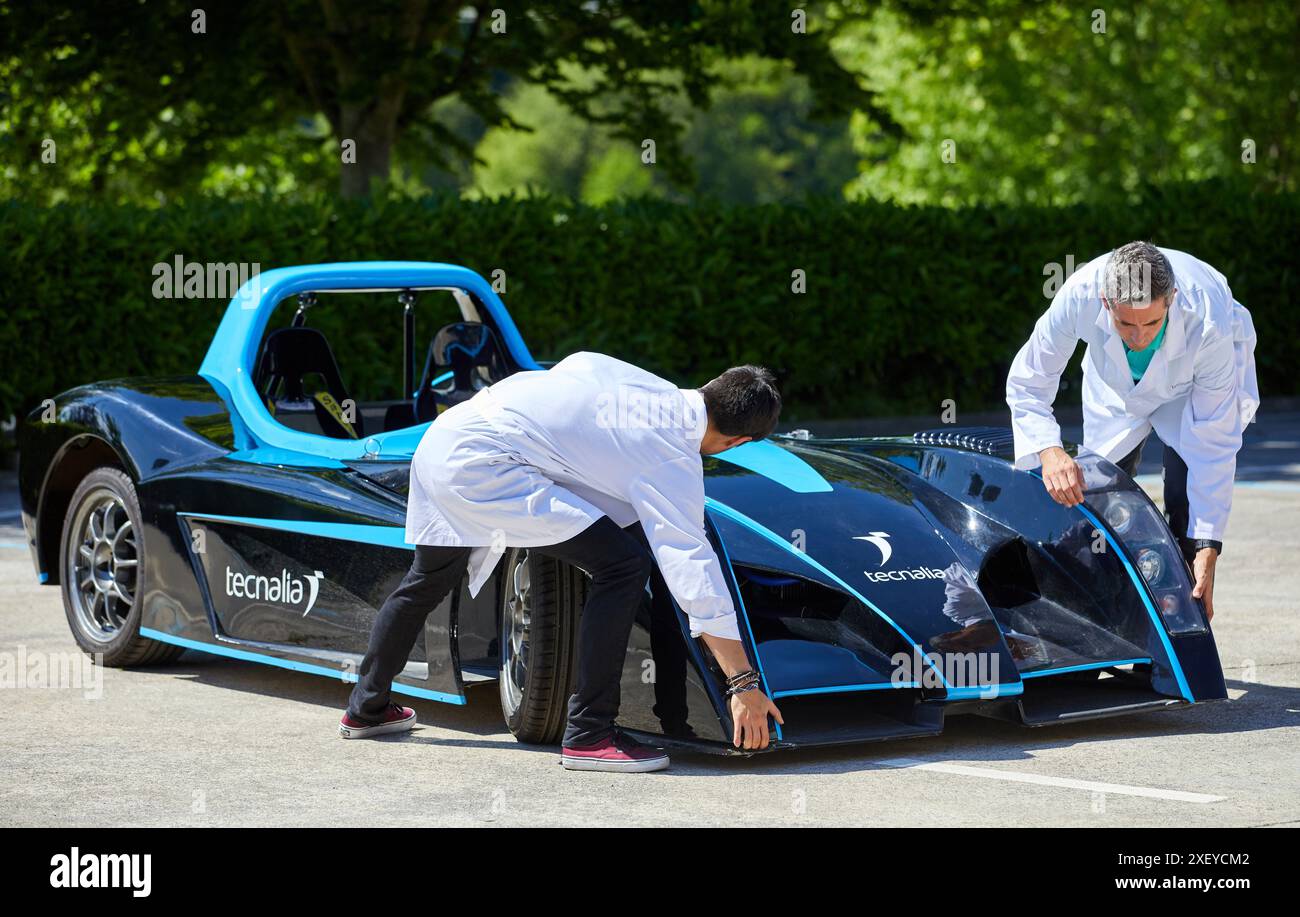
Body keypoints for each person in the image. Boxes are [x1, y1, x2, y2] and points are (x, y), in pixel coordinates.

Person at [338, 351, 785, 771]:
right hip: (488, 465)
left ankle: (367, 708)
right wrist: (742, 683)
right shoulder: (672, 455)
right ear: (738, 441)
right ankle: (590, 734)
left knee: (427, 579)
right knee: (624, 566)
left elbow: (579, 367)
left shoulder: (648, 387)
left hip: (448, 436)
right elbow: (692, 567)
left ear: (711, 386)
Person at [1006, 242, 1259, 620]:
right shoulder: (1079, 294)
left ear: (1171, 299)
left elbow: (1213, 445)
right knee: (1099, 499)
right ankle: (1105, 617)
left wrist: (1208, 545)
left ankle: (1178, 624)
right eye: (1125, 323)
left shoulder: (1209, 321)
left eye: (1152, 323)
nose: (1139, 337)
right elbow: (1029, 382)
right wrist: (1048, 449)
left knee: (1185, 502)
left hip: (1191, 387)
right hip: (1116, 391)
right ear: (1105, 303)